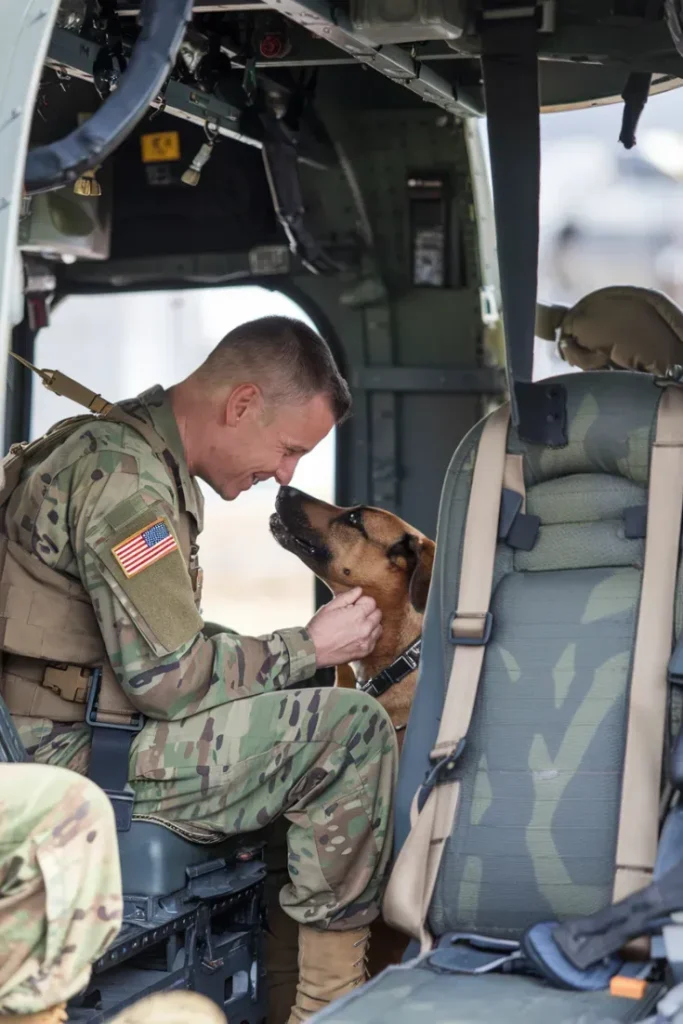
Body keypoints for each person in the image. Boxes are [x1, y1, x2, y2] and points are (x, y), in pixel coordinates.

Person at [0, 316, 399, 1024]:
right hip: (67, 751)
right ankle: (325, 1008)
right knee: (350, 731)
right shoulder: (127, 485)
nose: (286, 476)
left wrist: (290, 659)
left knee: (299, 713)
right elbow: (168, 679)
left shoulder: (121, 454)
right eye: (287, 450)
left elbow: (152, 646)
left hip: (66, 727)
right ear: (240, 404)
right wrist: (307, 646)